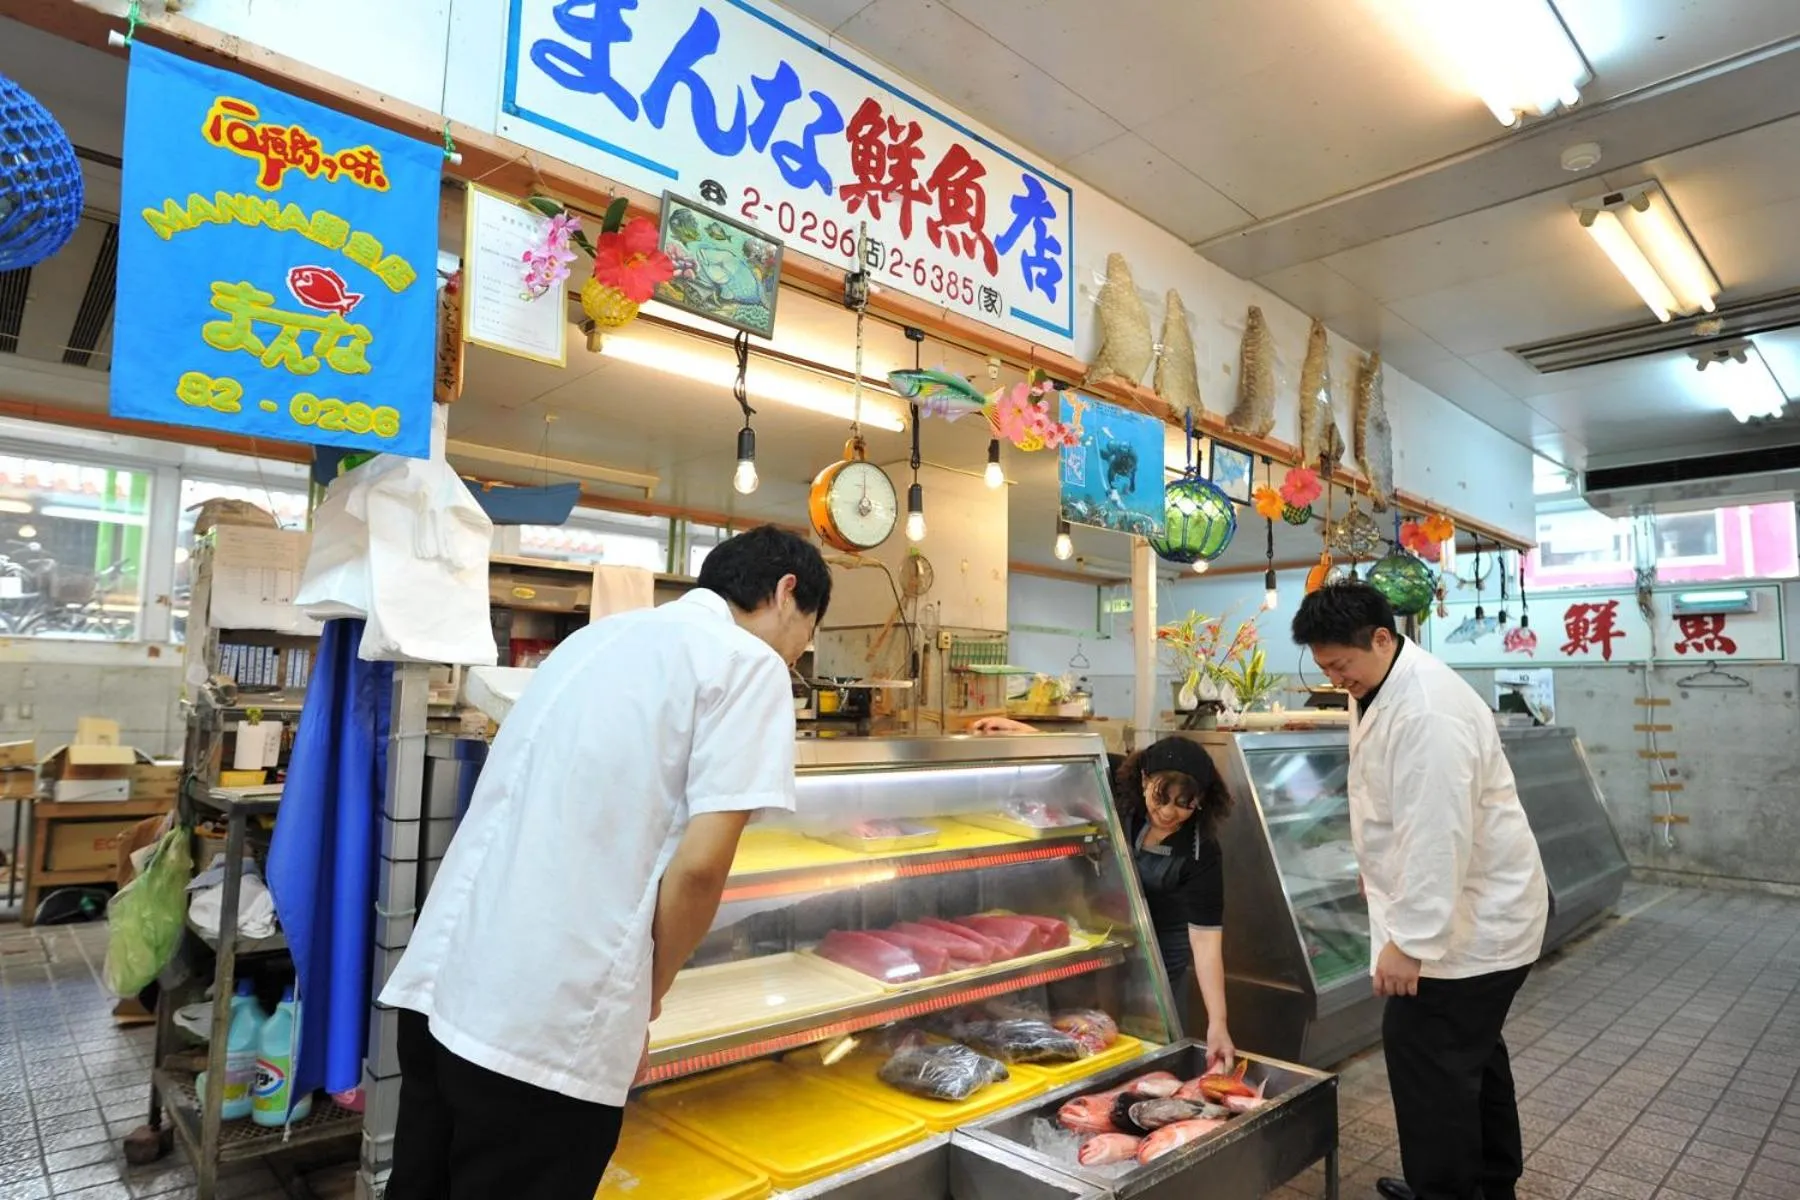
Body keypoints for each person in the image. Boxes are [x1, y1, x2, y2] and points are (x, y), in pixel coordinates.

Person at [380, 525, 830, 1200]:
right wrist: (642, 1001)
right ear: (787, 591)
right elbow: (702, 868)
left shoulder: (592, 642)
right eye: (808, 634)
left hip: (440, 1000)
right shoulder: (746, 663)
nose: (799, 655)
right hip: (543, 1039)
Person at [1290, 582, 1547, 1200]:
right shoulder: (1383, 682)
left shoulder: (1428, 708)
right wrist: (1374, 865)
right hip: (1470, 914)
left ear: (1381, 638)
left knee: (1429, 1064)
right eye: (1323, 667)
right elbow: (1395, 806)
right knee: (1471, 1059)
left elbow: (1439, 833)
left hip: (1469, 928)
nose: (1334, 678)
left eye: (1339, 665)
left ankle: (1449, 1191)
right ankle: (1488, 1185)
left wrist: (1410, 941)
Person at [971, 719, 1237, 1072]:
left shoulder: (1201, 851)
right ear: (1144, 779)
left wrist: (1218, 1022)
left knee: (1153, 1026)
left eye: (1185, 804)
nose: (1170, 812)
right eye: (1161, 796)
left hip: (1161, 943)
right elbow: (1074, 754)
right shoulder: (1115, 777)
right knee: (1095, 1019)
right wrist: (1021, 731)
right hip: (1103, 927)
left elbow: (1205, 940)